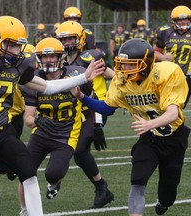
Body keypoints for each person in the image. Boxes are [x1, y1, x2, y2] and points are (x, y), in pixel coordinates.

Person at [0, 15, 105, 216]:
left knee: (28, 172)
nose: (16, 50)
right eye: (11, 45)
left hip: (2, 130)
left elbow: (47, 87)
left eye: (18, 45)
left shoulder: (17, 64)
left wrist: (84, 77)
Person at [71, 38, 190, 216]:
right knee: (137, 180)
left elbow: (173, 113)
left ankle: (164, 202)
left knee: (168, 193)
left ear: (146, 64)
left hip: (174, 137)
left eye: (129, 64)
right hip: (149, 137)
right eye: (122, 64)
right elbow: (107, 108)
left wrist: (150, 123)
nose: (123, 69)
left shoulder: (166, 72)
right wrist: (82, 97)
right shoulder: (122, 81)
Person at [18, 37, 94, 216]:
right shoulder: (33, 81)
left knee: (53, 173)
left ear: (61, 57)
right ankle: (24, 210)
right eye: (44, 57)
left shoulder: (77, 75)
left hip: (66, 134)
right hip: (41, 133)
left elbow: (89, 101)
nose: (48, 60)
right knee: (25, 171)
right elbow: (28, 118)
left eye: (52, 56)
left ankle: (55, 182)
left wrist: (95, 124)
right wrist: (37, 121)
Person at [56, 20, 115, 209]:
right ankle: (101, 188)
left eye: (70, 39)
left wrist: (99, 122)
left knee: (80, 150)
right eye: (63, 40)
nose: (66, 43)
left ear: (80, 39)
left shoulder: (91, 57)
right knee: (74, 152)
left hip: (93, 109)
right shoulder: (58, 60)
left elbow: (115, 77)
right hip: (72, 113)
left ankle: (101, 188)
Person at [154, 5, 191, 107]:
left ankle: (177, 123)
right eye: (180, 20)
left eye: (186, 19)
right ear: (174, 21)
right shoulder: (166, 33)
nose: (184, 22)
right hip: (168, 74)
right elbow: (154, 52)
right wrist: (163, 57)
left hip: (186, 74)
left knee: (181, 104)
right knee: (166, 104)